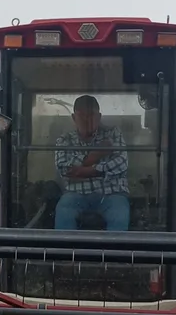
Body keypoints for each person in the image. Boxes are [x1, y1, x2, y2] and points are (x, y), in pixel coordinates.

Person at [53, 95, 130, 231]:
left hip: (112, 194)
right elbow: (64, 170)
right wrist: (98, 154)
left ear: (99, 117)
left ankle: (114, 252)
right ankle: (65, 252)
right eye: (81, 115)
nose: (86, 119)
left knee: (119, 216)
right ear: (73, 118)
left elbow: (122, 163)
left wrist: (83, 170)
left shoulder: (113, 133)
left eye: (91, 115)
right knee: (63, 211)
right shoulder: (64, 140)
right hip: (76, 194)